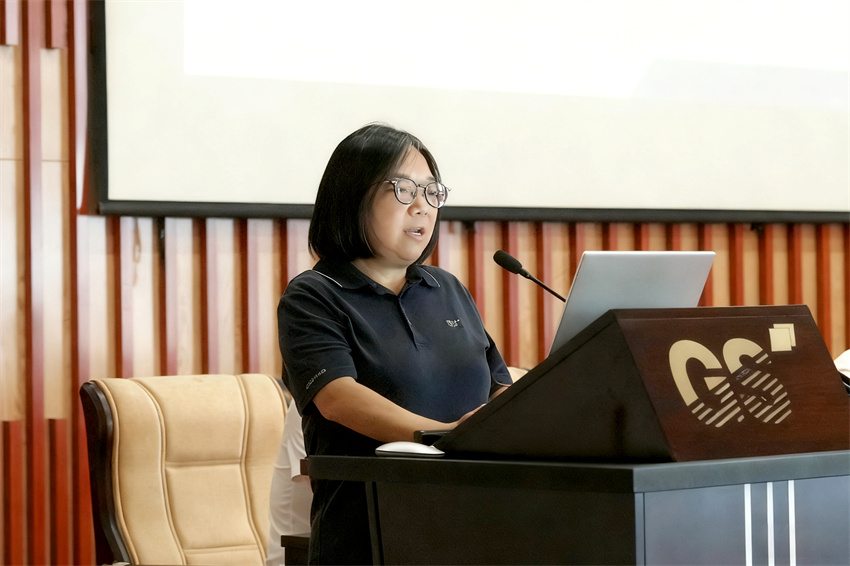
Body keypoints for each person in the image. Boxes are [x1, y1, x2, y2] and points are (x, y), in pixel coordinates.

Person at [277, 123, 512, 564]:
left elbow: (499, 385)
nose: (423, 207)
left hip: (475, 523)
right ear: (352, 196)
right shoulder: (314, 295)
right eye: (404, 189)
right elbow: (337, 397)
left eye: (432, 192)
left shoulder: (446, 288)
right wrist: (444, 437)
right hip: (369, 535)